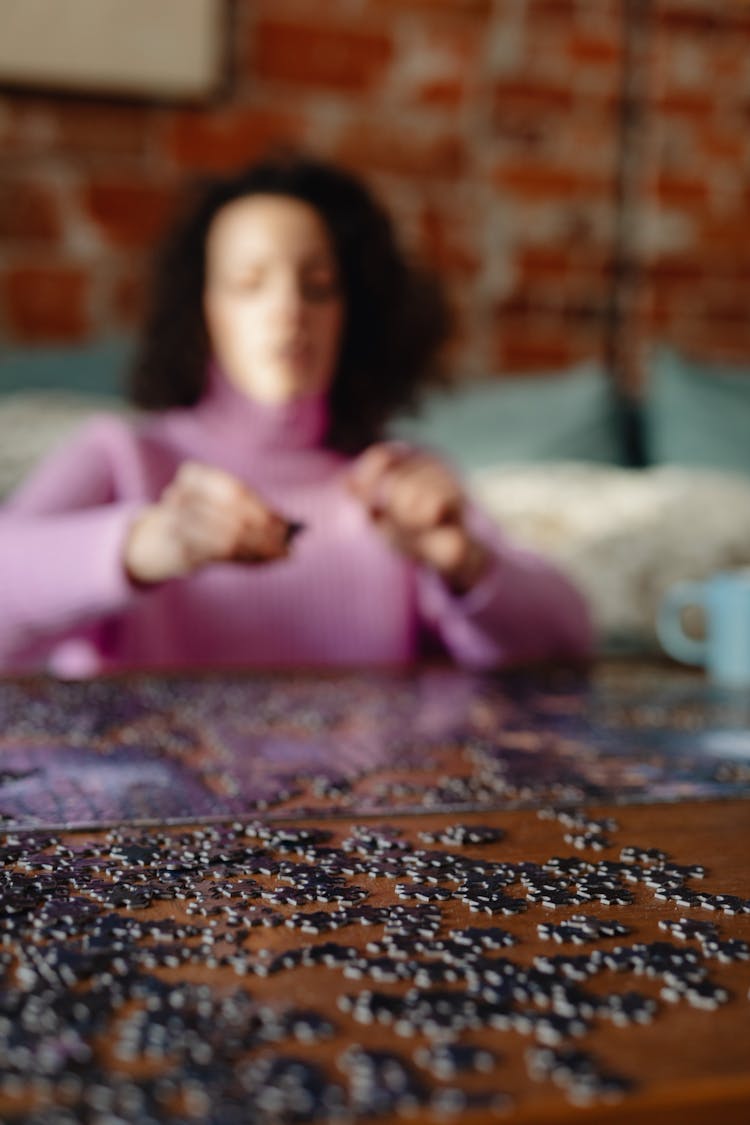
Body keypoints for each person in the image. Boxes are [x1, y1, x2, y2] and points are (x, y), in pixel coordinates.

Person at [0, 151, 592, 677]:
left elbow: (570, 637)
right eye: (249, 283)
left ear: (352, 312)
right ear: (201, 307)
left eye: (318, 285)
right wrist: (148, 544)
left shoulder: (400, 481)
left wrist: (463, 561)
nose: (288, 310)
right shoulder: (121, 455)